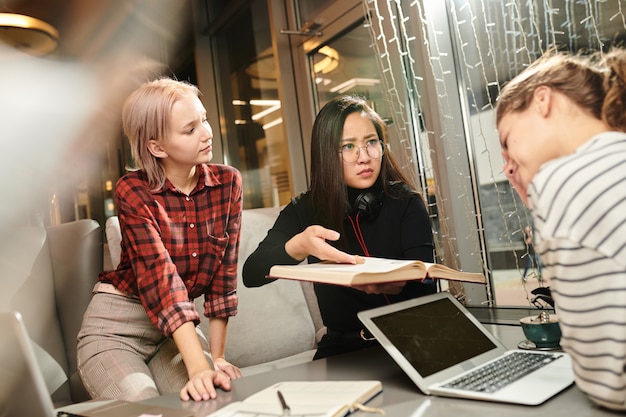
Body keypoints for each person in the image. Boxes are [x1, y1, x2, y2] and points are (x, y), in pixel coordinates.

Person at [77, 78, 243, 402]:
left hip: (174, 338)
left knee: (211, 400)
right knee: (148, 409)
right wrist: (198, 367)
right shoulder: (132, 191)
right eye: (190, 129)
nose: (207, 132)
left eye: (204, 119)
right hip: (118, 330)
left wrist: (216, 358)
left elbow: (223, 280)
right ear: (157, 147)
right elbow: (161, 280)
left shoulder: (228, 184)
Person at [242, 95, 436, 359]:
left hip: (409, 340)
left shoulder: (406, 202)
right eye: (348, 147)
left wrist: (399, 284)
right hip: (342, 349)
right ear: (327, 154)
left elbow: (426, 284)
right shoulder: (305, 209)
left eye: (371, 143)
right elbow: (251, 273)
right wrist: (298, 246)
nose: (364, 157)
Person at [497, 48, 626, 411]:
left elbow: (606, 379)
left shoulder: (562, 180)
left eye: (507, 142)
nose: (508, 167)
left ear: (542, 100)